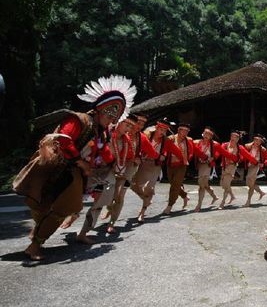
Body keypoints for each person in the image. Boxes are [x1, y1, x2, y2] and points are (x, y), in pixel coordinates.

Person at [13, 75, 136, 260]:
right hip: (55, 168)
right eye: (110, 116)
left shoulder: (100, 133)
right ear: (101, 110)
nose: (111, 121)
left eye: (114, 118)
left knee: (66, 206)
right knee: (49, 205)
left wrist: (114, 164)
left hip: (72, 173)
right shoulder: (79, 120)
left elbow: (105, 154)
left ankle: (37, 238)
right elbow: (63, 140)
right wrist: (81, 162)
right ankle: (35, 244)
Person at [77, 116, 135, 243]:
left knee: (100, 202)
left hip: (108, 173)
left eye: (131, 126)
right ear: (119, 123)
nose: (129, 128)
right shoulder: (105, 134)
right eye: (127, 125)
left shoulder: (127, 141)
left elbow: (129, 155)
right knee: (74, 199)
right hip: (88, 169)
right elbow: (91, 147)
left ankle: (83, 232)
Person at [130, 118, 184, 222]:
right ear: (156, 128)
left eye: (165, 130)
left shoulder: (166, 141)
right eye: (161, 129)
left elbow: (177, 151)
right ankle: (145, 200)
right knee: (133, 185)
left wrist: (183, 161)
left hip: (156, 166)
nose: (163, 132)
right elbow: (137, 146)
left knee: (149, 188)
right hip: (144, 164)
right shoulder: (147, 135)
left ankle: (142, 212)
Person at [219, 130, 258, 209]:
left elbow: (248, 156)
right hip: (224, 167)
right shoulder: (224, 145)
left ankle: (222, 203)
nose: (233, 138)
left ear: (238, 139)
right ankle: (232, 196)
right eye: (232, 136)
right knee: (223, 185)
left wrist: (256, 162)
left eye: (235, 137)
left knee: (226, 185)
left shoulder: (240, 148)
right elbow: (220, 152)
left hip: (232, 167)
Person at [162, 123, 193, 214]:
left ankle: (169, 206)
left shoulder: (189, 140)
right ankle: (184, 196)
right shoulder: (171, 138)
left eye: (187, 131)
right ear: (179, 130)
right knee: (174, 184)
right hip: (170, 165)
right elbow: (165, 149)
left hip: (182, 166)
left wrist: (187, 159)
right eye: (184, 130)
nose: (186, 132)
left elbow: (191, 152)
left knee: (175, 185)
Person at [192, 127, 224, 211]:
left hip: (207, 165)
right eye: (205, 133)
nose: (207, 135)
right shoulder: (197, 142)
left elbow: (221, 151)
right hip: (199, 164)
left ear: (211, 136)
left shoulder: (215, 144)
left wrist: (214, 157)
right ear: (203, 134)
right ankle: (214, 196)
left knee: (201, 185)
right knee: (205, 184)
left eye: (209, 134)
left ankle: (199, 205)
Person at [243, 134, 267, 207]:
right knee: (250, 183)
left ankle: (248, 201)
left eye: (259, 141)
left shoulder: (262, 149)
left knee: (249, 180)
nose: (257, 142)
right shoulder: (247, 146)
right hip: (248, 166)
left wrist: (264, 164)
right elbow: (243, 155)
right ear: (253, 140)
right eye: (256, 140)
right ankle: (261, 192)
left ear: (261, 142)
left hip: (256, 165)